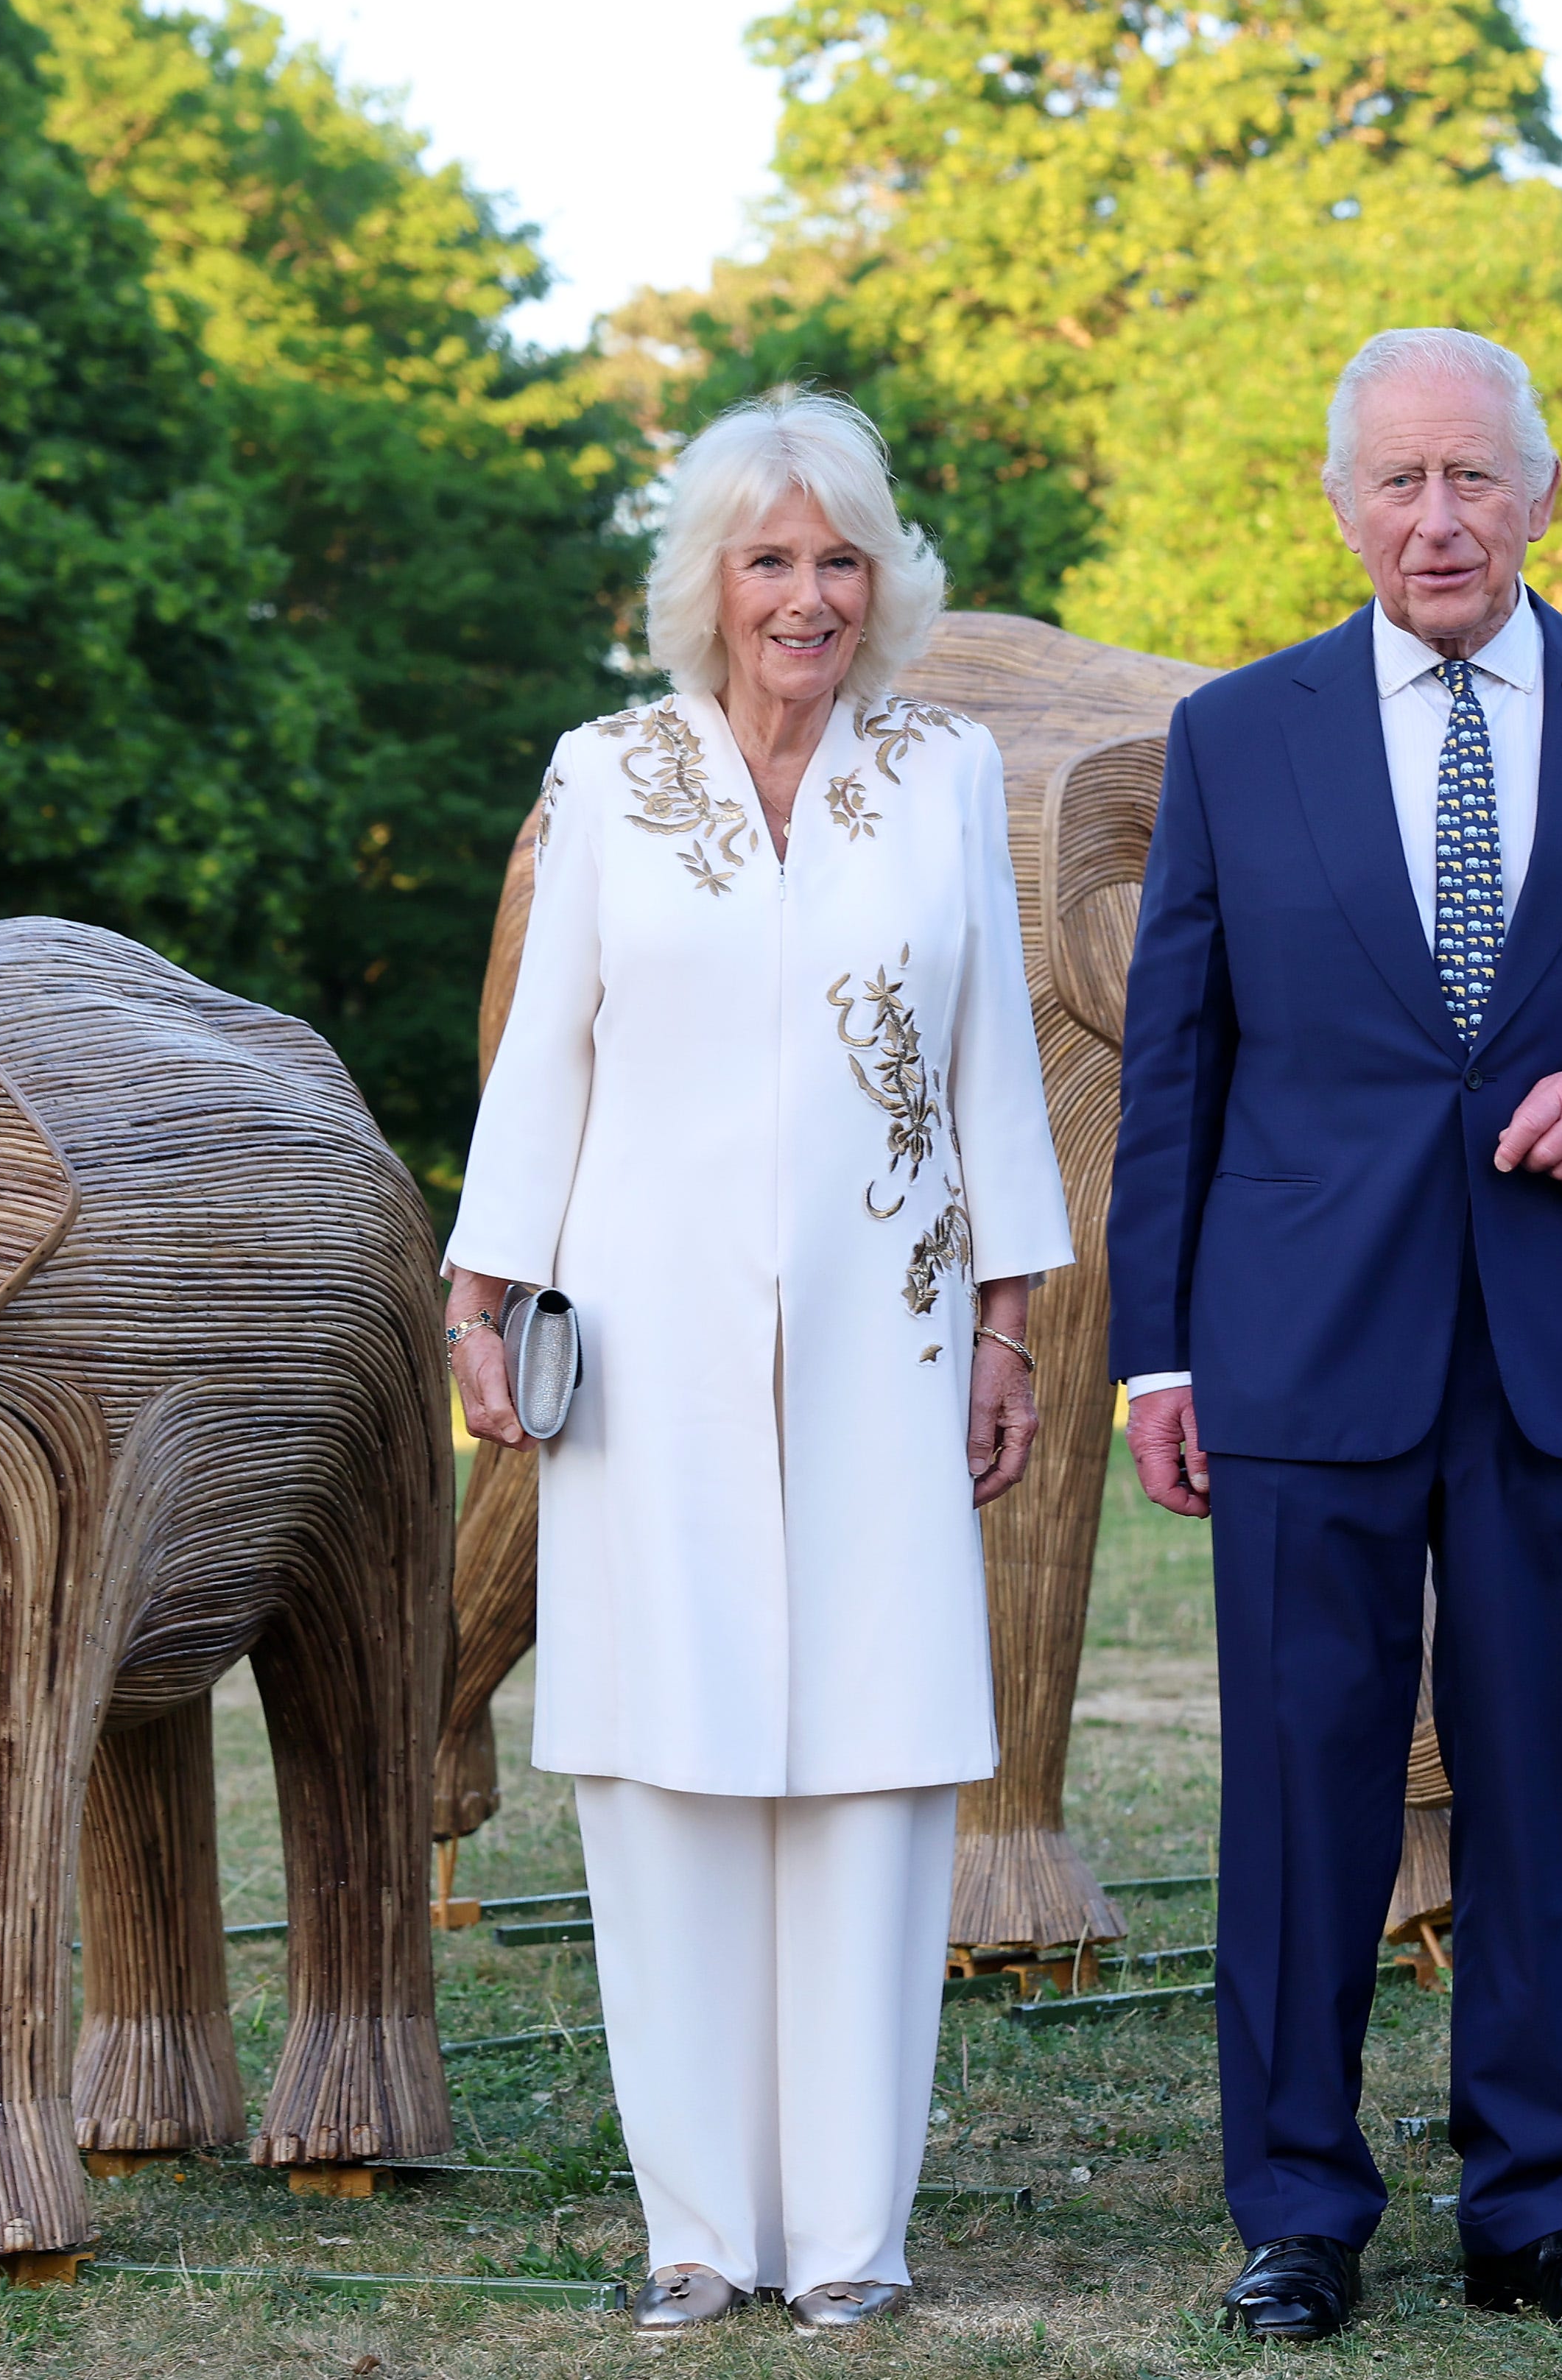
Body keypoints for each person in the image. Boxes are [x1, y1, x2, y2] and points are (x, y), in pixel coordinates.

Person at [1107, 329, 1562, 2339]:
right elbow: (1178, 1066)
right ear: (1338, 502)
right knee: (1299, 1787)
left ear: (1543, 494)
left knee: (1533, 1782)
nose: (1437, 518)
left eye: (1474, 478)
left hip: (1556, 1353)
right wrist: (1158, 1353)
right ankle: (1299, 2213)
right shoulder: (1240, 736)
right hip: (1299, 1350)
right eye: (1398, 480)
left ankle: (1537, 2212)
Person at [443, 389, 1071, 2337]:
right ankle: (699, 2229)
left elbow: (990, 1061)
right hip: (648, 1343)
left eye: (838, 558)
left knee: (876, 1773)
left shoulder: (946, 771)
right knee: (669, 1768)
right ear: (707, 582)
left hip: (893, 1338)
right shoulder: (611, 775)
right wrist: (484, 1289)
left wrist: (1009, 1315)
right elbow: (550, 1049)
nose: (806, 595)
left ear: (881, 580)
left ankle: (853, 2243)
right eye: (771, 558)